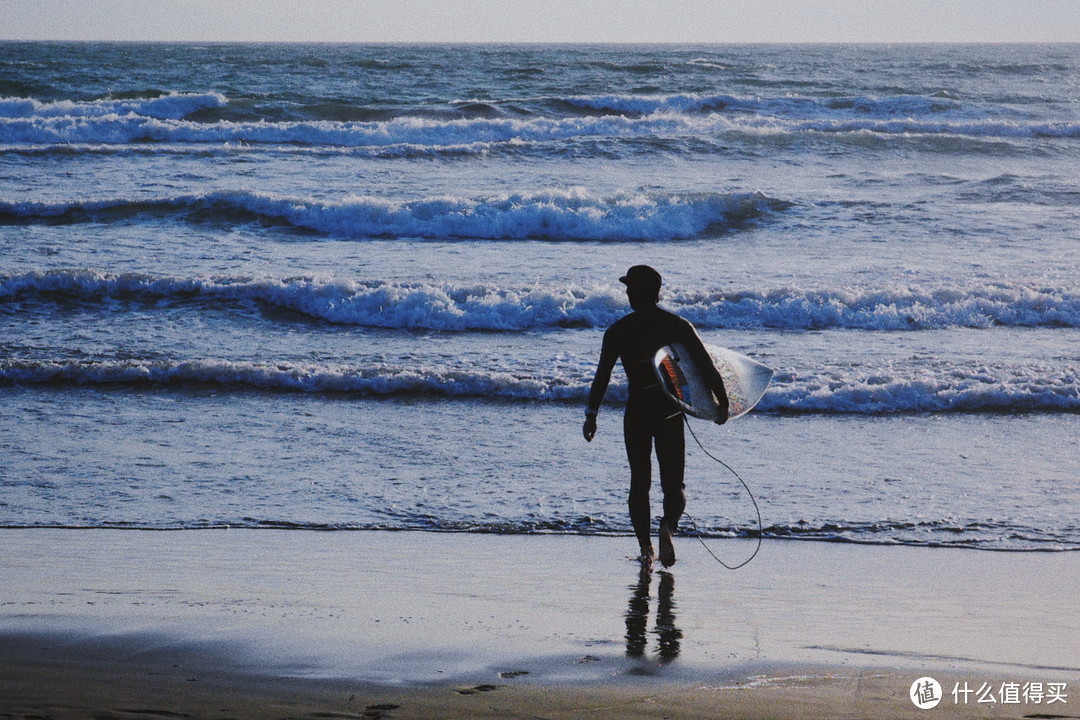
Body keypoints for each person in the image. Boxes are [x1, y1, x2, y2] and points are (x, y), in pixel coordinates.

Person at [582, 265, 727, 569]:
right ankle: (667, 528)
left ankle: (646, 549)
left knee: (640, 482)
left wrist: (591, 414)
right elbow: (705, 367)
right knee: (674, 485)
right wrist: (722, 403)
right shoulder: (677, 325)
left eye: (628, 288)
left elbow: (602, 376)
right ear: (658, 293)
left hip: (637, 412)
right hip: (669, 411)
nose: (626, 293)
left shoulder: (619, 331)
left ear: (635, 292)